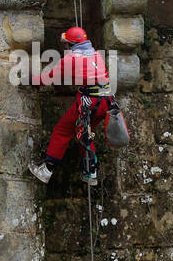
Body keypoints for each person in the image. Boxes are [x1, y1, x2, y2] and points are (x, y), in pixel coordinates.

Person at [28, 26, 115, 186]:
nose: (65, 48)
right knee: (84, 133)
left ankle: (46, 170)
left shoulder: (71, 58)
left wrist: (30, 79)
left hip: (90, 102)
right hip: (106, 102)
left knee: (62, 130)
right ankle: (90, 171)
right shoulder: (96, 54)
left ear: (71, 45)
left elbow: (48, 79)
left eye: (66, 45)